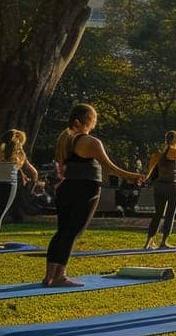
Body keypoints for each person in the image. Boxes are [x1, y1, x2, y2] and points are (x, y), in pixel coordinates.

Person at [44, 104, 146, 286]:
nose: (96, 121)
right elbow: (110, 167)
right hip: (85, 189)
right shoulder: (90, 142)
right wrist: (133, 176)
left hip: (67, 188)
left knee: (63, 231)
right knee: (73, 231)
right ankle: (60, 275)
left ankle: (49, 276)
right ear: (86, 120)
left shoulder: (66, 139)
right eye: (94, 118)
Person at [0, 129, 39, 250]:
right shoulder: (18, 155)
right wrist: (33, 185)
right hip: (7, 186)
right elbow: (34, 172)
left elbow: (4, 165)